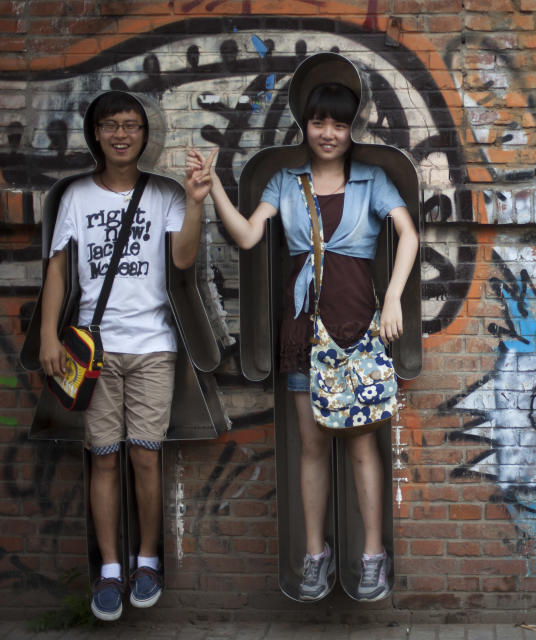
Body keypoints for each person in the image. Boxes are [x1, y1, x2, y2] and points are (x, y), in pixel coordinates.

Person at [188, 81, 418, 602]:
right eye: (320, 123)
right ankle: (316, 555)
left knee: (361, 445)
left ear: (351, 127)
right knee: (311, 446)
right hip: (303, 332)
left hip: (358, 328)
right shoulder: (285, 183)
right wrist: (214, 189)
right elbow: (248, 236)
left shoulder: (373, 179)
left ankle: (373, 555)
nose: (329, 133)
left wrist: (396, 298)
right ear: (305, 125)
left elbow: (409, 233)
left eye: (339, 124)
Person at [38, 91, 207, 621]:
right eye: (110, 125)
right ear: (95, 133)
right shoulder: (76, 198)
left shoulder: (163, 195)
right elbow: (58, 270)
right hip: (94, 350)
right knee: (103, 457)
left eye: (130, 125)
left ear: (144, 134)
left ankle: (148, 559)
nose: (120, 134)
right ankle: (110, 570)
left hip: (154, 345)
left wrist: (197, 200)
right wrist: (48, 335)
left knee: (144, 454)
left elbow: (182, 257)